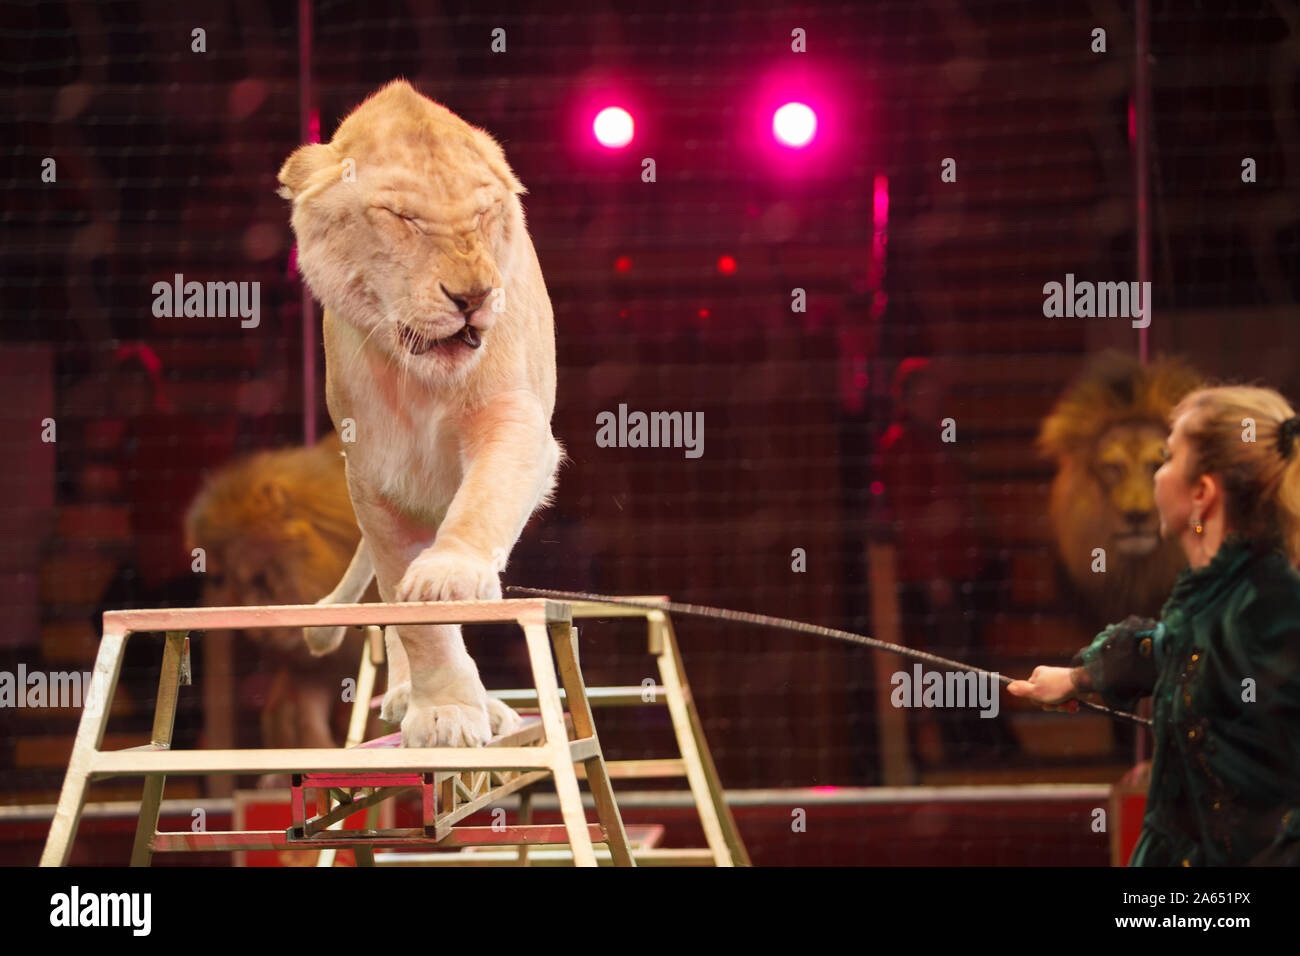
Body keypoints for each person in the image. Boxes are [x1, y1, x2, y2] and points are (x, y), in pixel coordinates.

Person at [1008, 385, 1300, 865]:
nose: (1156, 478)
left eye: (1166, 459)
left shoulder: (1269, 607)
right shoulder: (1225, 592)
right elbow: (1167, 648)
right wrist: (1076, 679)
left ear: (1201, 493)